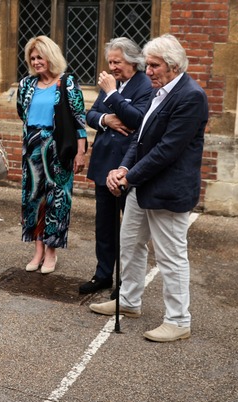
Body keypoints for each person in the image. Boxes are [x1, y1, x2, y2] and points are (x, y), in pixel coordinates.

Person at [89, 34, 209, 343]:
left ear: (172, 66)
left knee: (171, 257)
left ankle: (179, 319)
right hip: (141, 187)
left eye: (154, 65)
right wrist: (123, 168)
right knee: (129, 244)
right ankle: (129, 301)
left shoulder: (190, 96)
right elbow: (140, 139)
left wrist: (129, 178)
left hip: (168, 191)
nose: (148, 70)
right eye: (148, 64)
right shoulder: (161, 91)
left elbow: (167, 150)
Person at [78, 38, 153, 294]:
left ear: (133, 60)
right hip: (103, 162)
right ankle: (103, 274)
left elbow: (138, 120)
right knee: (105, 224)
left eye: (117, 62)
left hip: (127, 166)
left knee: (129, 228)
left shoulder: (145, 85)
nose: (112, 67)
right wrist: (106, 119)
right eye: (110, 62)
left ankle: (125, 282)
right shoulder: (113, 83)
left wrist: (111, 95)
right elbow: (90, 115)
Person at [16, 36, 87, 274]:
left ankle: (51, 252)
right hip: (32, 149)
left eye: (40, 57)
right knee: (34, 199)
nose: (36, 62)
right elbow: (21, 113)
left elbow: (79, 120)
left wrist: (81, 151)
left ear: (51, 56)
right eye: (33, 58)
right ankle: (37, 251)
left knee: (57, 200)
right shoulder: (26, 84)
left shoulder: (66, 83)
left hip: (59, 149)